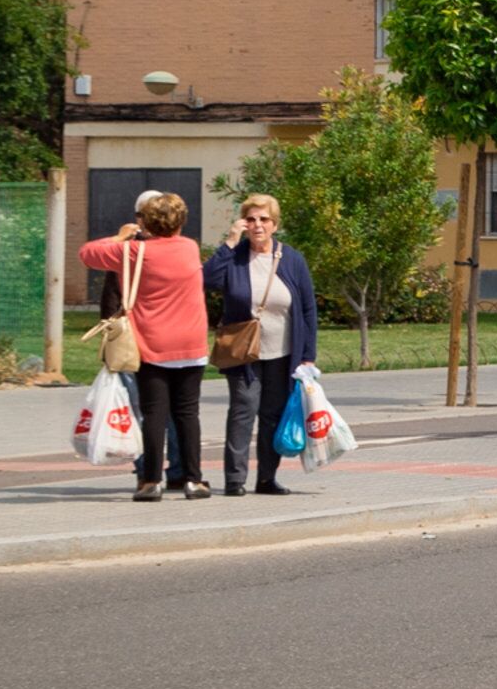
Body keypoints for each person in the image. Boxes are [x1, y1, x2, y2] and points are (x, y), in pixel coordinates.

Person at [81, 193, 211, 502]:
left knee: (154, 414)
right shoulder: (190, 249)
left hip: (153, 344)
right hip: (192, 344)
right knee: (187, 414)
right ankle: (193, 480)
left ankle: (151, 481)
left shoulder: (134, 252)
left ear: (146, 221)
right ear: (180, 221)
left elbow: (87, 253)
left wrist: (120, 236)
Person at [208, 192, 320, 497]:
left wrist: (308, 356)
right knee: (243, 411)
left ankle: (267, 478)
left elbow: (308, 309)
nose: (258, 225)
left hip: (284, 354)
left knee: (272, 415)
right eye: (251, 219)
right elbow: (207, 281)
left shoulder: (292, 259)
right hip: (244, 352)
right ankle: (235, 479)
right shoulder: (235, 257)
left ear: (275, 224)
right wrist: (230, 242)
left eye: (264, 219)